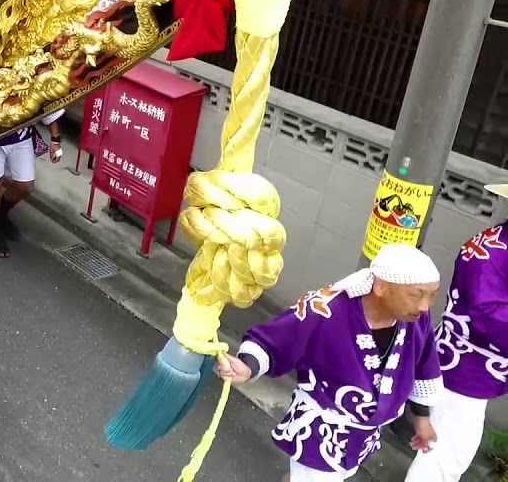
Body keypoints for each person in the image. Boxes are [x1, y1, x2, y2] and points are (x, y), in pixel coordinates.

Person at [216, 243, 443, 481]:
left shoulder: (416, 319)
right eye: (416, 295)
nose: (425, 306)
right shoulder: (325, 310)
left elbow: (424, 364)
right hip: (321, 431)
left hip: (363, 436)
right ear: (381, 286)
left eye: (432, 296)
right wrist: (248, 365)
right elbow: (277, 338)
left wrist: (422, 419)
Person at [406, 193, 508, 482]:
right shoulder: (494, 253)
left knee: (445, 452)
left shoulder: (494, 243)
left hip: (469, 365)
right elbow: (487, 315)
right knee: (444, 456)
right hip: (466, 369)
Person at [0, 110, 65, 258]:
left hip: (21, 135)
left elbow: (50, 106)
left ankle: (0, 215)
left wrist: (55, 140)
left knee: (26, 186)